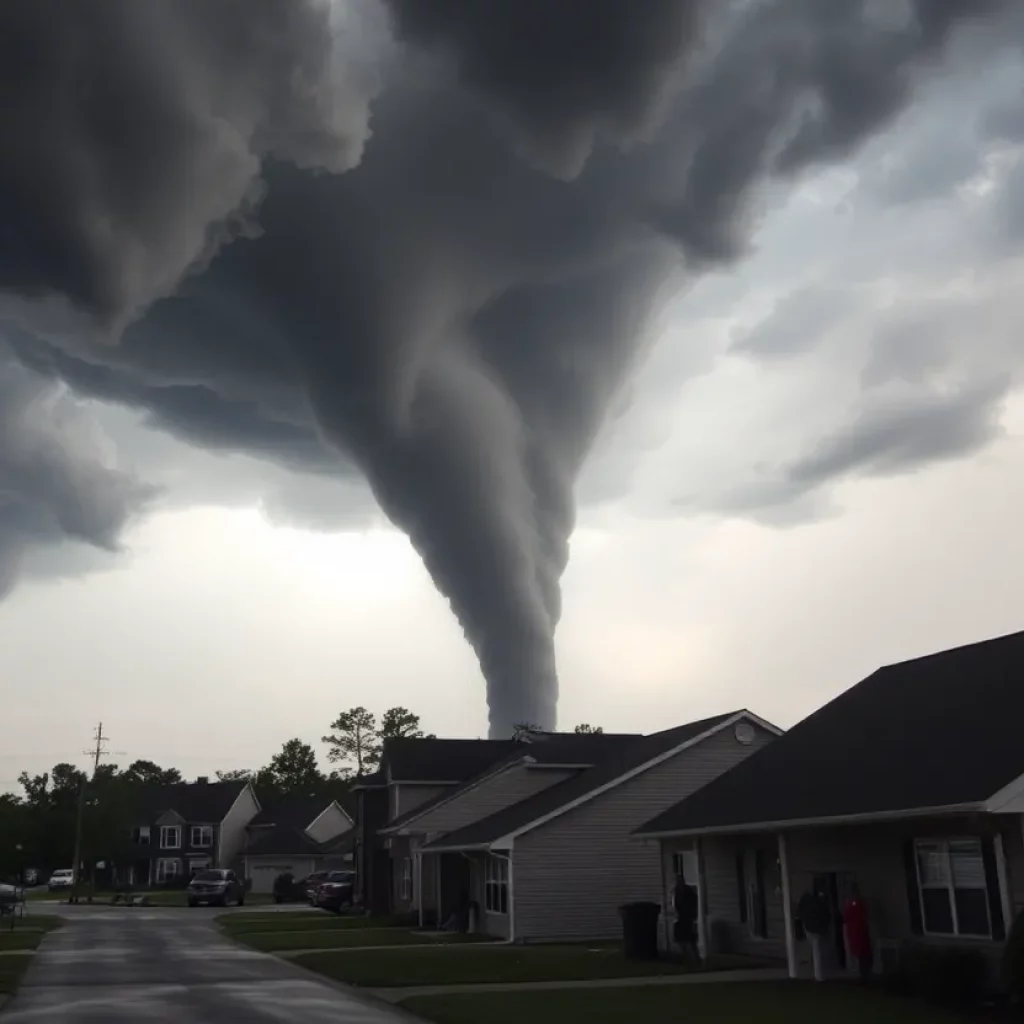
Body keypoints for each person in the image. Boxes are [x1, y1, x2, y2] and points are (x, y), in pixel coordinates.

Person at [842, 883, 872, 982]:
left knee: (862, 953)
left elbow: (847, 916)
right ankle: (864, 974)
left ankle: (865, 976)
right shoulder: (860, 903)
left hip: (857, 931)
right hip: (858, 930)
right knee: (861, 954)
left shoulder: (855, 903)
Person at [672, 874, 701, 966]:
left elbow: (693, 903)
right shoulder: (676, 892)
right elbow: (675, 905)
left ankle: (696, 959)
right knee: (680, 939)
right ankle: (687, 957)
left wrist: (693, 916)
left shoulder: (688, 892)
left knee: (691, 939)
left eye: (679, 881)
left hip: (687, 918)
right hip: (680, 918)